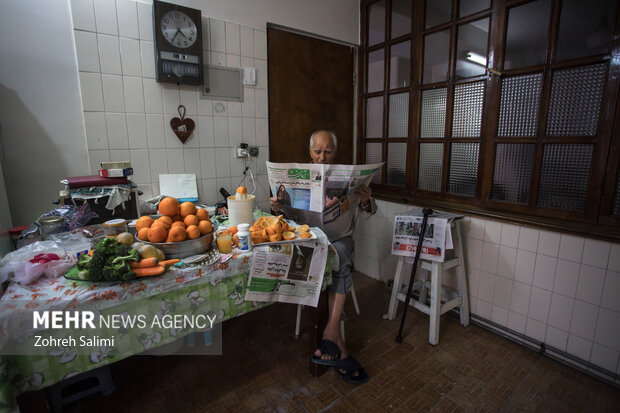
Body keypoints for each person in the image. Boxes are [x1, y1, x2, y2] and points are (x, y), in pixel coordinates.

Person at [270, 130, 375, 384]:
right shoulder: (300, 176)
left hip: (341, 239)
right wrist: (276, 205)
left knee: (338, 256)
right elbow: (285, 211)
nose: (322, 156)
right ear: (310, 152)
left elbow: (370, 210)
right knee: (324, 261)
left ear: (335, 152)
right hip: (310, 239)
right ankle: (336, 339)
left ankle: (330, 330)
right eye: (317, 151)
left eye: (327, 151)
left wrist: (366, 200)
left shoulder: (346, 176)